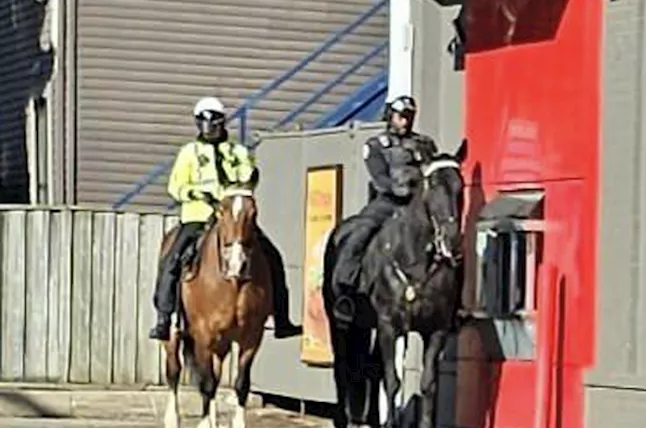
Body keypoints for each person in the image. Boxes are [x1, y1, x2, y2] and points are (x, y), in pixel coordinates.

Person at [147, 96, 304, 341]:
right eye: (205, 123)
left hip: (232, 217)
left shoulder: (237, 151)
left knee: (272, 257)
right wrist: (196, 192)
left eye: (215, 122)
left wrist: (248, 176)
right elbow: (175, 186)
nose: (210, 128)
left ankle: (282, 319)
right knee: (173, 259)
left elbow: (247, 177)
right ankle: (164, 318)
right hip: (199, 216)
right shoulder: (189, 153)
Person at [330, 94, 434, 324]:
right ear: (390, 116)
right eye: (400, 117)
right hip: (387, 203)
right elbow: (379, 177)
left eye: (409, 117)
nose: (405, 122)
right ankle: (346, 292)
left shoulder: (425, 145)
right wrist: (398, 190)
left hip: (417, 206)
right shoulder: (376, 145)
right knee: (360, 234)